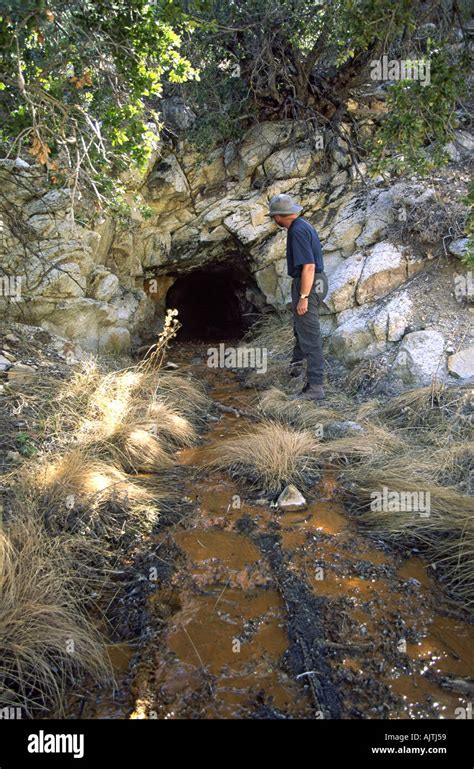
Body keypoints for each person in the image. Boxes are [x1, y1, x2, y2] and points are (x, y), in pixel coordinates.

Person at [268, 193, 328, 400]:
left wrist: (303, 296)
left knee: (310, 336)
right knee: (300, 328)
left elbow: (309, 266)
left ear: (279, 216)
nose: (273, 219)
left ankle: (315, 387)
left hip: (309, 284)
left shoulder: (297, 231)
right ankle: (296, 369)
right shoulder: (302, 226)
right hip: (312, 282)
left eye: (273, 216)